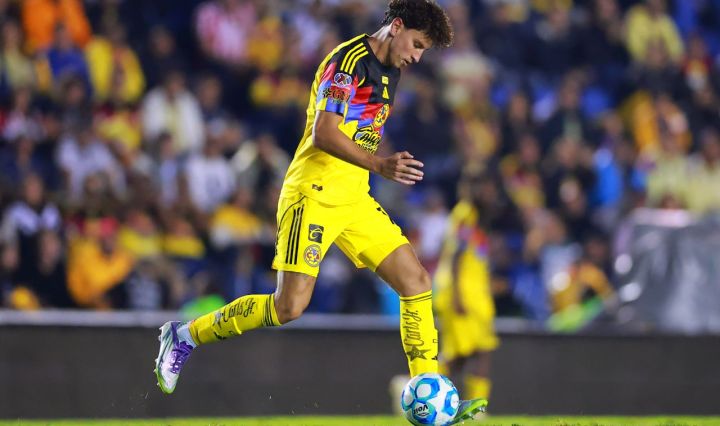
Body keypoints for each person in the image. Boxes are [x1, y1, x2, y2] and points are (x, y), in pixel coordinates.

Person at [154, 1, 487, 422]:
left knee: (416, 281)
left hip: (354, 198)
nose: (417, 57)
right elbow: (324, 133)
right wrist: (380, 164)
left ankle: (431, 397)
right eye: (417, 44)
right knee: (288, 307)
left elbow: (359, 132)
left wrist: (372, 166)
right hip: (312, 194)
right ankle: (185, 335)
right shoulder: (347, 62)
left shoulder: (392, 72)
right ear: (397, 26)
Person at [433, 170, 500, 404]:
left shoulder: (476, 216)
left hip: (475, 292)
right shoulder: (465, 214)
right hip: (461, 291)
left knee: (465, 355)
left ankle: (423, 391)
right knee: (468, 353)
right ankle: (423, 392)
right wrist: (457, 295)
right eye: (486, 188)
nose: (491, 193)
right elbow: (456, 256)